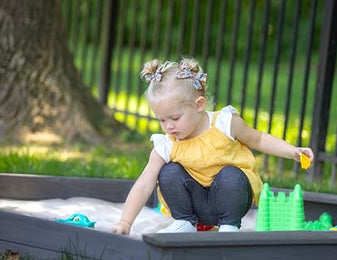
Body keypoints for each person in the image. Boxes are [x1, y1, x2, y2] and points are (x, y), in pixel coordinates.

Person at [112, 58, 314, 235]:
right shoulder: (167, 143)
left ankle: (229, 226)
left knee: (231, 175)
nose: (168, 126)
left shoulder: (225, 123)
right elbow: (144, 183)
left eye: (174, 118)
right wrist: (125, 222)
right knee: (168, 172)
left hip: (228, 198)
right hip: (194, 203)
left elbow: (258, 139)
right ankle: (185, 222)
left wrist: (292, 151)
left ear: (199, 105)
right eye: (162, 120)